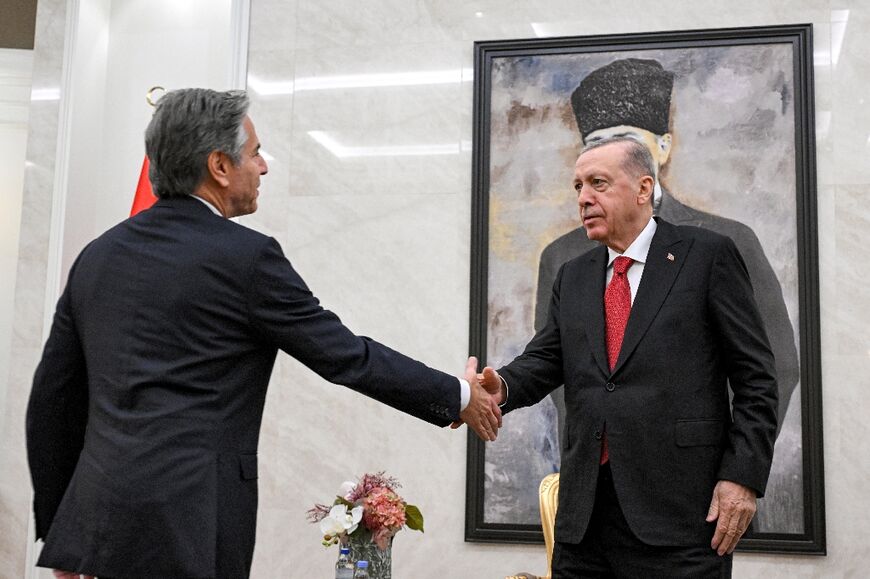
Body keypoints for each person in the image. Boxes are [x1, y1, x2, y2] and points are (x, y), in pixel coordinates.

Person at [26, 88, 502, 579]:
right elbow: (346, 356)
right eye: (255, 153)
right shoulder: (245, 258)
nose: (264, 167)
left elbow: (51, 403)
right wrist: (458, 394)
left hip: (95, 532)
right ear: (219, 165)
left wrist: (61, 534)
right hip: (191, 529)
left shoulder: (97, 256)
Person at [481, 137, 778, 576]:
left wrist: (742, 478)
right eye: (578, 186)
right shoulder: (574, 274)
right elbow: (546, 358)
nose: (584, 198)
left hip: (681, 518)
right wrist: (499, 386)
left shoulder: (706, 256)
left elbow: (757, 379)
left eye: (598, 183)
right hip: (584, 521)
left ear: (644, 188)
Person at [537, 58, 798, 448]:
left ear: (661, 148)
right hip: (597, 482)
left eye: (624, 140)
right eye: (596, 144)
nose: (586, 195)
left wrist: (732, 466)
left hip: (696, 486)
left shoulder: (726, 242)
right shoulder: (563, 258)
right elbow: (555, 369)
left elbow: (772, 368)